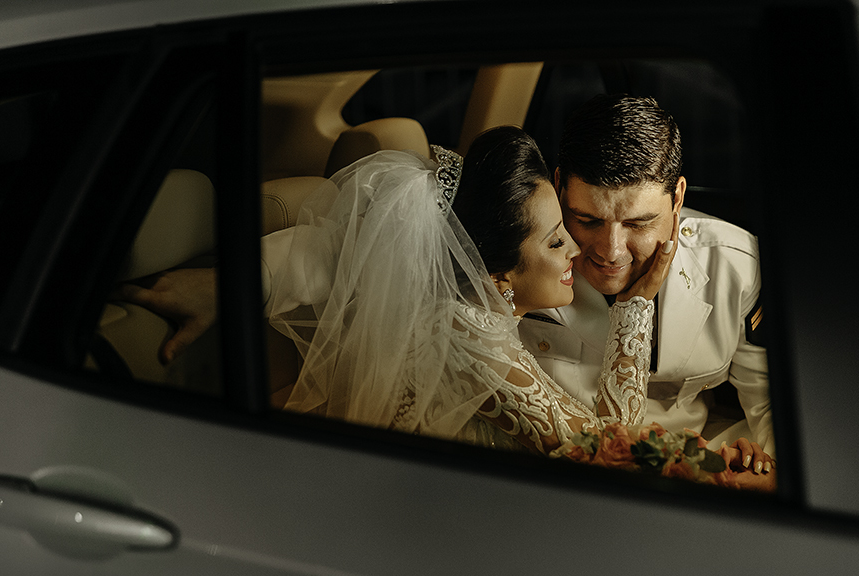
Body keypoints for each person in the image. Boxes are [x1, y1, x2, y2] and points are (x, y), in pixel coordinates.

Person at [117, 127, 773, 488]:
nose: (595, 247)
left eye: (637, 222)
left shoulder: (474, 301)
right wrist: (227, 284)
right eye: (569, 230)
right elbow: (606, 449)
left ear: (677, 198)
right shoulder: (472, 328)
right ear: (497, 275)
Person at [517, 95, 775, 472]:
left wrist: (771, 476)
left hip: (702, 456)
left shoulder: (736, 267)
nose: (611, 252)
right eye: (588, 220)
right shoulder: (518, 261)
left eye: (638, 224)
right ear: (559, 187)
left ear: (678, 198)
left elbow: (771, 404)